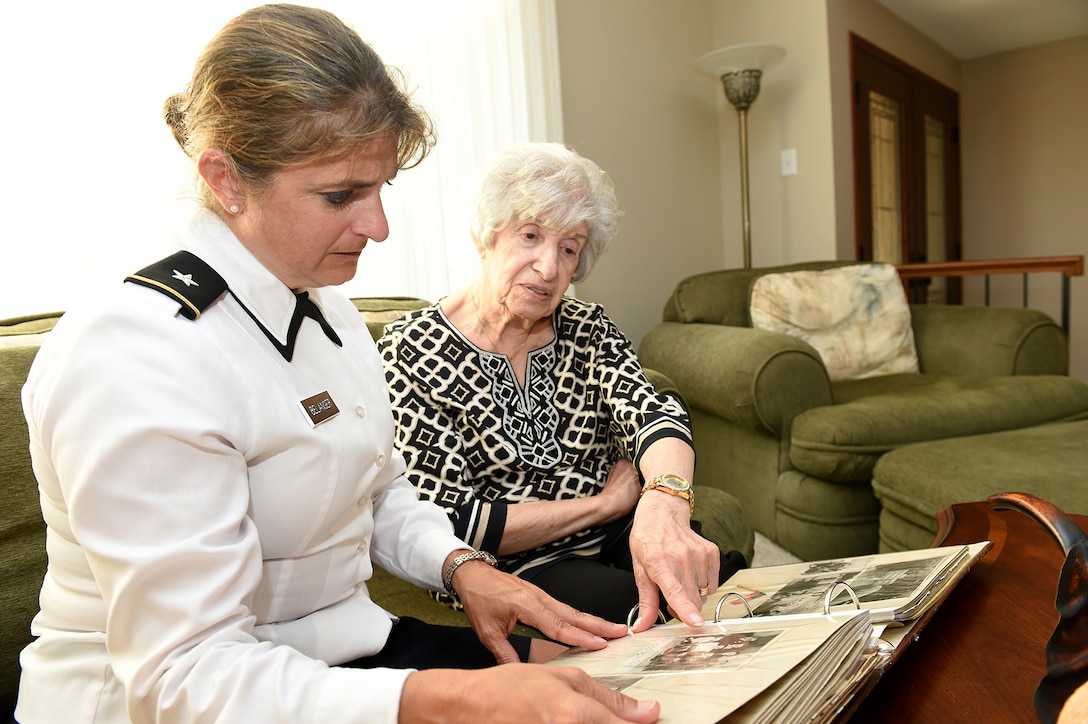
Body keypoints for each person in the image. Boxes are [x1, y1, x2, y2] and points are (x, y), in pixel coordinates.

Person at [14, 6, 662, 723]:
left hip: (339, 648)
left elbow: (380, 491)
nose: (378, 226)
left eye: (380, 187)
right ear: (225, 179)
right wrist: (456, 699)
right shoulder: (137, 357)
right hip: (183, 698)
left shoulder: (328, 309)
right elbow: (183, 680)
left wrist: (465, 569)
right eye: (341, 195)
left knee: (615, 685)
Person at [378, 142, 746, 631]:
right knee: (665, 620)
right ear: (488, 234)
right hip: (520, 564)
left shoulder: (586, 326)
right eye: (530, 235)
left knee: (729, 589)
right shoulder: (412, 350)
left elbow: (654, 412)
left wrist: (664, 496)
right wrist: (605, 503)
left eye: (568, 249)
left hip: (622, 532)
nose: (549, 268)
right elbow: (454, 521)